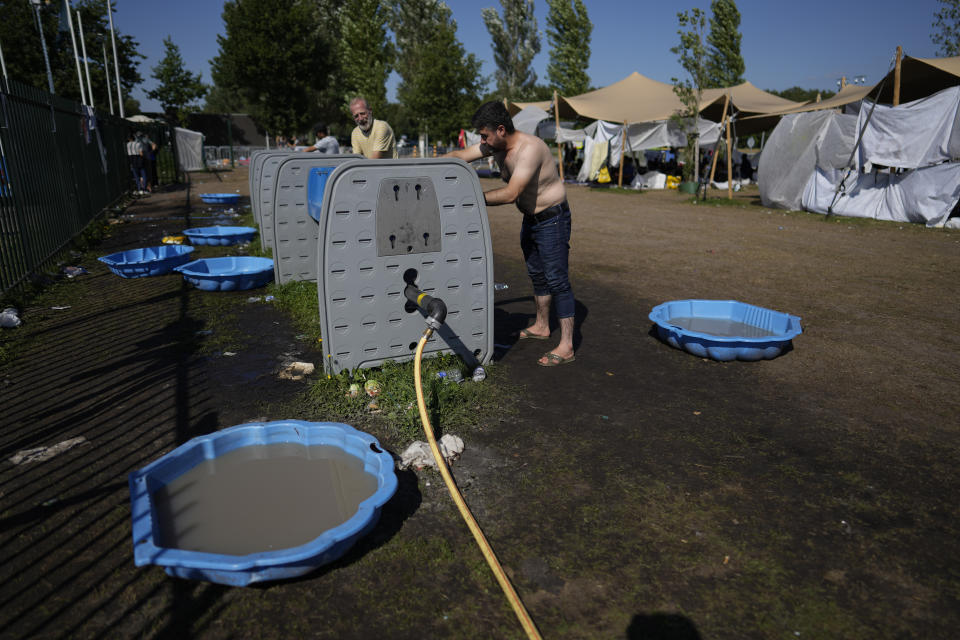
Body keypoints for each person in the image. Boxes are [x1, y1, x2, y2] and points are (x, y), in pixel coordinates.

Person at [446, 101, 575, 367]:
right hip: (531, 218)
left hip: (552, 218)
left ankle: (567, 345)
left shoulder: (530, 149)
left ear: (501, 130)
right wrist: (419, 164)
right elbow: (459, 157)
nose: (482, 142)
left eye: (485, 136)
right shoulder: (495, 145)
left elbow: (511, 193)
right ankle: (542, 326)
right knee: (537, 275)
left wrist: (470, 198)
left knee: (557, 280)